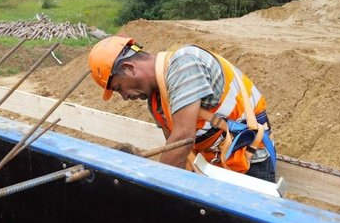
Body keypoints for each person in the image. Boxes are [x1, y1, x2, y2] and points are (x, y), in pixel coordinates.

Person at [88, 36, 276, 182]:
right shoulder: (157, 100)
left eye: (119, 87)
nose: (125, 97)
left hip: (250, 163)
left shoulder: (185, 64)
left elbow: (183, 138)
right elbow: (176, 151)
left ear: (129, 68)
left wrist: (154, 189)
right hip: (215, 168)